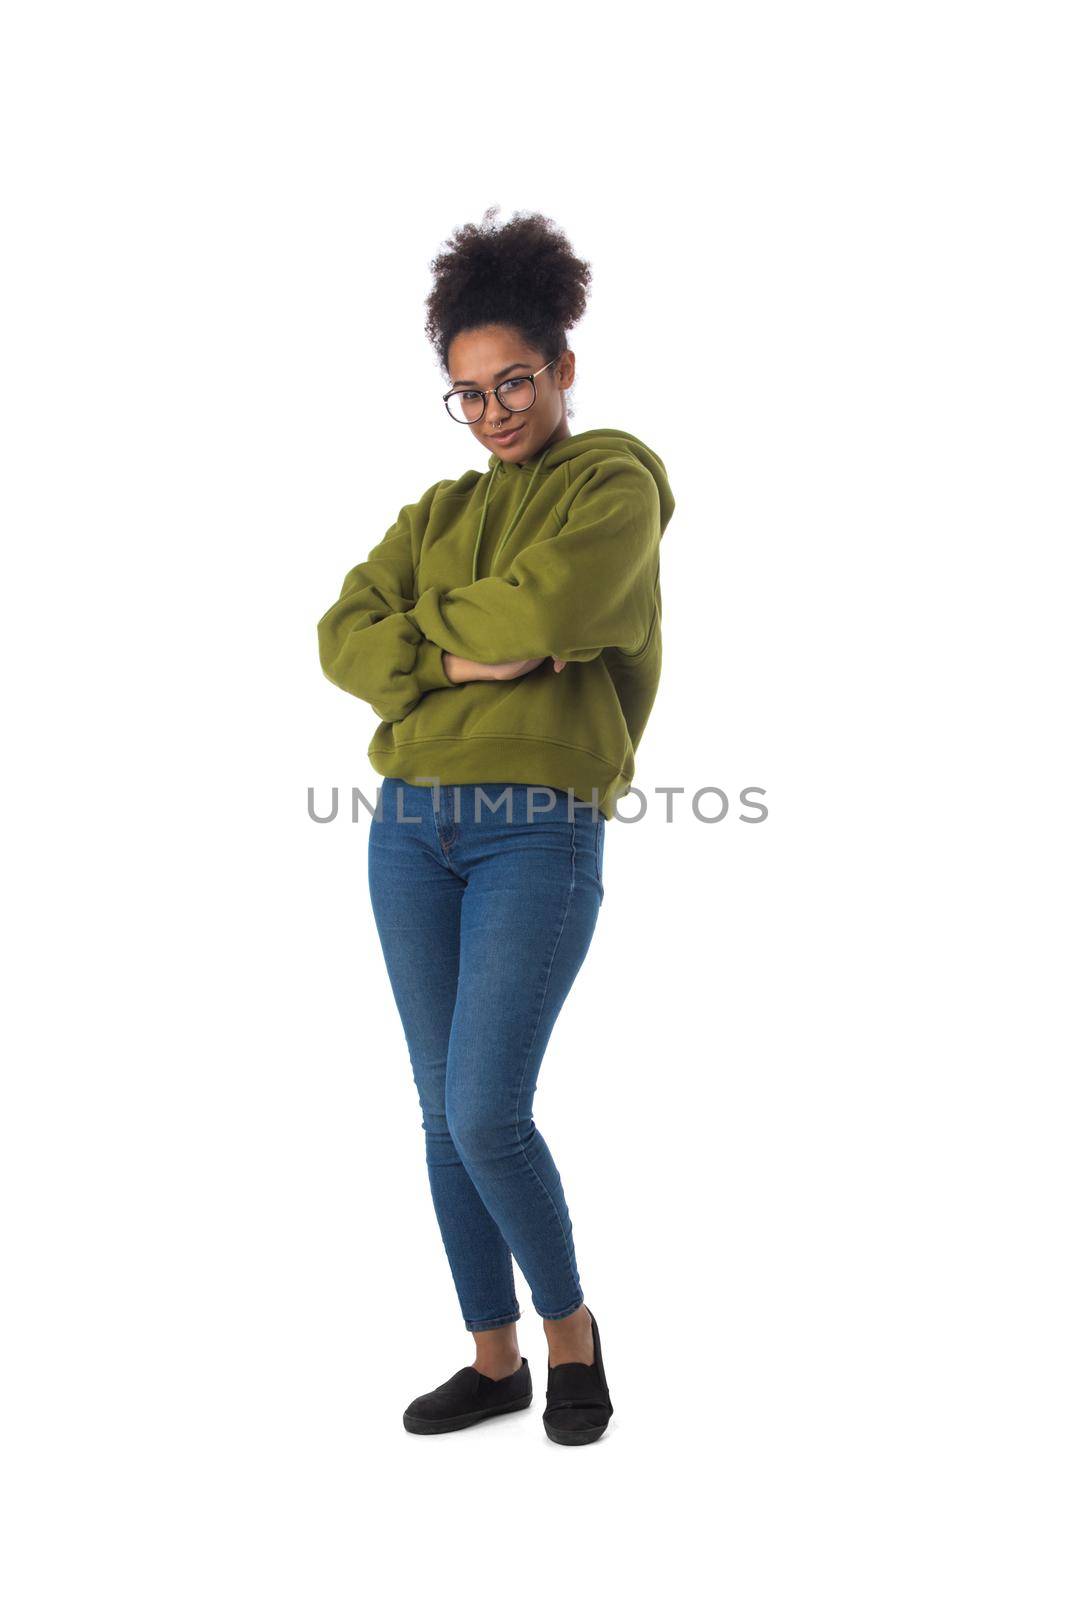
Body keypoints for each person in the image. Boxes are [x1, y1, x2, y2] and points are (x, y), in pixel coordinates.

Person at [317, 206, 675, 1444]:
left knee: (485, 1109)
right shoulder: (432, 514)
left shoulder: (615, 484)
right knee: (436, 1112)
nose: (492, 412)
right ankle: (492, 1357)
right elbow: (337, 636)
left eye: (512, 380)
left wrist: (430, 645)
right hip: (407, 826)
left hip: (537, 828)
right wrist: (456, 652)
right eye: (465, 394)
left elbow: (544, 613)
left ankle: (571, 1332)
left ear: (562, 367)